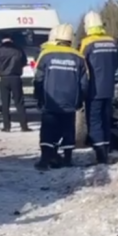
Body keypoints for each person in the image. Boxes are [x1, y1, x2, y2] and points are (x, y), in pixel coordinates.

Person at [33, 24, 88, 170]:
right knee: (68, 130)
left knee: (48, 130)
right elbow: (84, 83)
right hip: (70, 101)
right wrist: (80, 100)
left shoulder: (46, 55)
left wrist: (38, 96)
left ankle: (45, 160)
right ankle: (67, 159)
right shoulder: (79, 57)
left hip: (50, 100)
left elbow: (38, 79)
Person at [79, 11, 118, 164]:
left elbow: (82, 65)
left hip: (93, 89)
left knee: (94, 121)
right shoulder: (112, 42)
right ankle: (106, 151)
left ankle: (100, 155)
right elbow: (116, 64)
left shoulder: (87, 43)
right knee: (106, 119)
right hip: (109, 88)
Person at [0, 34, 31, 132]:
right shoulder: (18, 50)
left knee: (5, 103)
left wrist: (0, 68)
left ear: (2, 40)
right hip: (16, 78)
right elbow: (24, 62)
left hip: (3, 79)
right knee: (19, 102)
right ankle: (24, 126)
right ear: (11, 40)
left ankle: (6, 126)